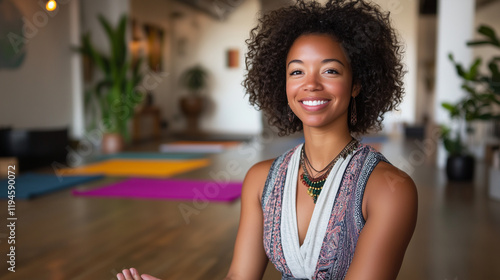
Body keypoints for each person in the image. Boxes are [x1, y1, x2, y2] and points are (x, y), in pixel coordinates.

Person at [117, 0, 417, 279]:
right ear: (282, 84)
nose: (310, 84)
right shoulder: (261, 179)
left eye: (330, 70)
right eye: (297, 71)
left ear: (356, 84)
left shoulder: (391, 190)